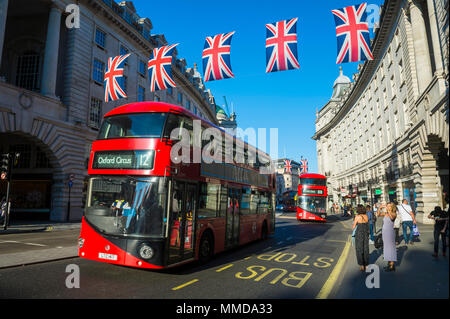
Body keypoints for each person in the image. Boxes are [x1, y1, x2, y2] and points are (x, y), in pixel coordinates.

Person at [378, 202, 397, 272]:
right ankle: (389, 264)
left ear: (392, 207)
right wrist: (379, 208)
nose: (388, 207)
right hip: (384, 232)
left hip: (390, 233)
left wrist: (388, 211)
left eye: (389, 206)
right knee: (386, 248)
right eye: (387, 206)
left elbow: (392, 218)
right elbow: (378, 214)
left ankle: (392, 265)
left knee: (391, 248)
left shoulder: (394, 213)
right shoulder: (386, 214)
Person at [353, 205, 370, 271]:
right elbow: (367, 223)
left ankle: (362, 265)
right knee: (365, 248)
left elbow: (354, 226)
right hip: (365, 233)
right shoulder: (366, 216)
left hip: (359, 233)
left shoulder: (357, 216)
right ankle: (366, 264)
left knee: (359, 249)